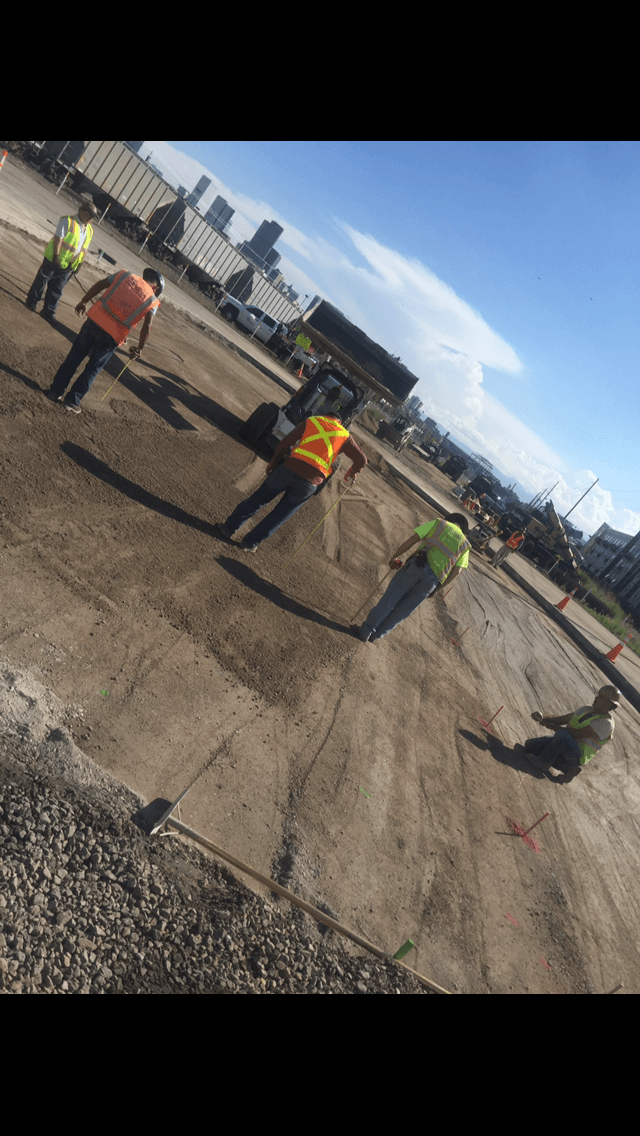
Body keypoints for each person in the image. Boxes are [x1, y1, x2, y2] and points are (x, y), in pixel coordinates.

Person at [215, 408, 367, 552]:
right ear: (339, 422)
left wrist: (274, 462)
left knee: (258, 498)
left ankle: (227, 528)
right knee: (279, 515)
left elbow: (286, 442)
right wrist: (351, 473)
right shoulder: (344, 435)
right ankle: (249, 544)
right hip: (309, 482)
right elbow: (362, 460)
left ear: (326, 416)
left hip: (288, 469)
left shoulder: (312, 421)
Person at [45, 268, 164, 414]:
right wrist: (140, 347)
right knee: (92, 369)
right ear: (156, 287)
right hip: (112, 336)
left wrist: (84, 301)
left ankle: (54, 391)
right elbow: (148, 326)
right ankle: (71, 401)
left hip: (94, 320)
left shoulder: (125, 275)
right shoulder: (152, 300)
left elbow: (100, 284)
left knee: (74, 357)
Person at [356, 512, 471, 643]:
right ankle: (376, 636)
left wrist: (394, 557)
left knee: (390, 599)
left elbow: (412, 540)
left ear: (449, 520)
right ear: (463, 529)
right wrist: (437, 589)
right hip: (431, 582)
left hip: (416, 566)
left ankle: (365, 631)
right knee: (403, 611)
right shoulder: (465, 545)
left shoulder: (439, 524)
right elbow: (457, 572)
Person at [524, 685, 621, 784]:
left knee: (562, 734)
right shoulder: (587, 709)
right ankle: (569, 769)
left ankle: (544, 762)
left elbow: (577, 734)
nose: (596, 698)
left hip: (576, 754)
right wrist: (544, 717)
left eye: (600, 697)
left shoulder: (606, 723)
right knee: (529, 746)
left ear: (608, 705)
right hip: (563, 744)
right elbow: (563, 719)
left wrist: (551, 726)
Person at [26, 202, 97, 325]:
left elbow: (84, 248)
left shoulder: (89, 230)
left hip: (68, 264)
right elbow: (58, 238)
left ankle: (48, 311)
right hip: (53, 259)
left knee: (57, 288)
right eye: (91, 215)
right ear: (82, 211)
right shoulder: (67, 221)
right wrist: (56, 256)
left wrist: (79, 263)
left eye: (94, 216)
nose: (92, 218)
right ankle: (31, 302)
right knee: (41, 281)